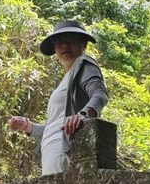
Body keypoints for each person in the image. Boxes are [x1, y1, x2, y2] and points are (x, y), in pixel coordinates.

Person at [9, 20, 108, 175]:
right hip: (51, 152)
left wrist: (83, 115)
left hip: (66, 151)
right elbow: (56, 126)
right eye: (59, 41)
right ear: (54, 48)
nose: (65, 45)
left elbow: (100, 93)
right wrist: (28, 127)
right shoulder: (66, 80)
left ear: (84, 44)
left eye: (71, 39)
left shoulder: (84, 64)